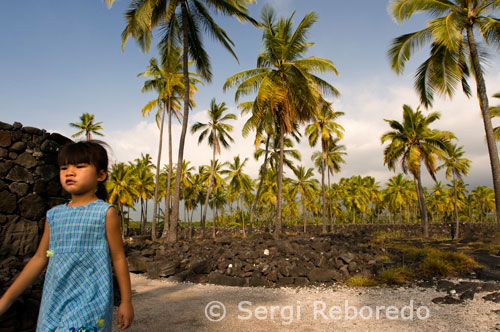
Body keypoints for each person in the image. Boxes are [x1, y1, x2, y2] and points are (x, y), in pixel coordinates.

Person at [0, 140, 134, 331]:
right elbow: (40, 258)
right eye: (64, 168)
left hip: (90, 301)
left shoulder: (105, 212)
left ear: (101, 174)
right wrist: (6, 299)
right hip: (53, 301)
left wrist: (126, 301)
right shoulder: (53, 215)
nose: (70, 172)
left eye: (80, 166)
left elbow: (119, 257)